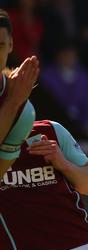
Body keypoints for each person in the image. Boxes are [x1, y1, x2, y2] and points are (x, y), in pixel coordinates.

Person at [0, 9, 38, 179]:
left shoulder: (24, 112)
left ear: (11, 45)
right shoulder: (17, 102)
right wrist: (13, 103)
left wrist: (14, 103)